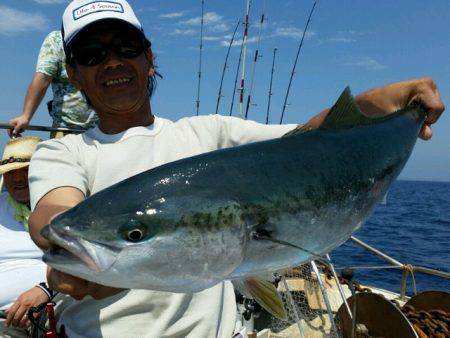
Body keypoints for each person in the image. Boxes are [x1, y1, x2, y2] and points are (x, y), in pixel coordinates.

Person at [27, 0, 445, 337]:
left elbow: (310, 138)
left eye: (126, 48)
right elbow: (54, 217)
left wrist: (390, 101)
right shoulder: (65, 153)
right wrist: (70, 257)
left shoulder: (210, 133)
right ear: (74, 75)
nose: (112, 62)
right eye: (92, 55)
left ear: (149, 58)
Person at [0, 136, 49, 337]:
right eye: (10, 173)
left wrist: (46, 291)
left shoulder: (65, 206)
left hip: (53, 307)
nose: (18, 179)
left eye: (25, 170)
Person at [8, 30, 98, 137]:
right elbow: (43, 78)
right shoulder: (56, 39)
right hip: (65, 131)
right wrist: (26, 116)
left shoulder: (108, 38)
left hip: (109, 131)